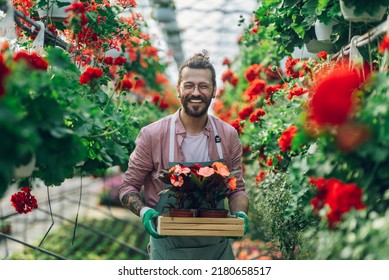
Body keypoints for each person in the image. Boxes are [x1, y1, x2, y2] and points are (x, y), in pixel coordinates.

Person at [119, 50, 249, 260]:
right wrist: (144, 212)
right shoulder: (153, 135)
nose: (196, 92)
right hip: (168, 249)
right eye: (189, 85)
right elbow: (128, 187)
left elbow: (237, 190)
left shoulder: (227, 135)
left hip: (216, 251)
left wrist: (241, 214)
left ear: (214, 90)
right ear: (179, 89)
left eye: (203, 86)